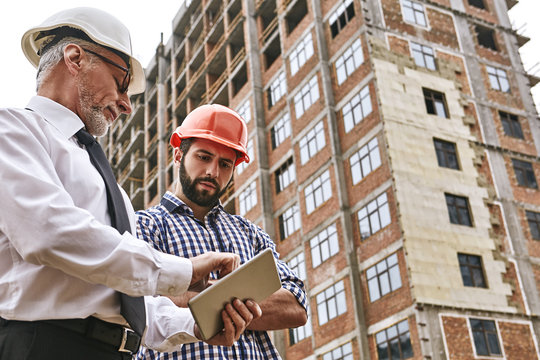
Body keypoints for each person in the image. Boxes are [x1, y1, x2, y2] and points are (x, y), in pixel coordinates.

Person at [0, 7, 261, 360]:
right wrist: (183, 271)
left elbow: (130, 303)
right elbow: (49, 232)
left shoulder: (114, 190)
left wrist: (195, 325)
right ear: (75, 58)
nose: (125, 105)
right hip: (44, 345)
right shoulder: (13, 131)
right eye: (121, 83)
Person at [135, 104, 309, 360]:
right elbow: (136, 301)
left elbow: (296, 305)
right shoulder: (144, 226)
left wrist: (198, 295)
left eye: (225, 164)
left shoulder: (249, 233)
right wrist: (246, 300)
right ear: (178, 155)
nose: (213, 172)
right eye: (204, 157)